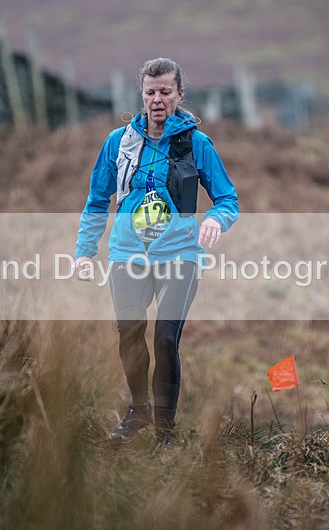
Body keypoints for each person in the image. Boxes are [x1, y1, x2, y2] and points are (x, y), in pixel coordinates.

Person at [75, 58, 239, 447]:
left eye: (165, 92)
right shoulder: (117, 142)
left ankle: (166, 430)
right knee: (129, 333)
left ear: (180, 95)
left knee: (166, 337)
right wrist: (84, 252)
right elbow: (98, 201)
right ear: (142, 96)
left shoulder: (197, 143)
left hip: (180, 255)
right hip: (127, 254)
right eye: (150, 92)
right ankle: (139, 410)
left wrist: (216, 219)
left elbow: (228, 198)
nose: (157, 99)